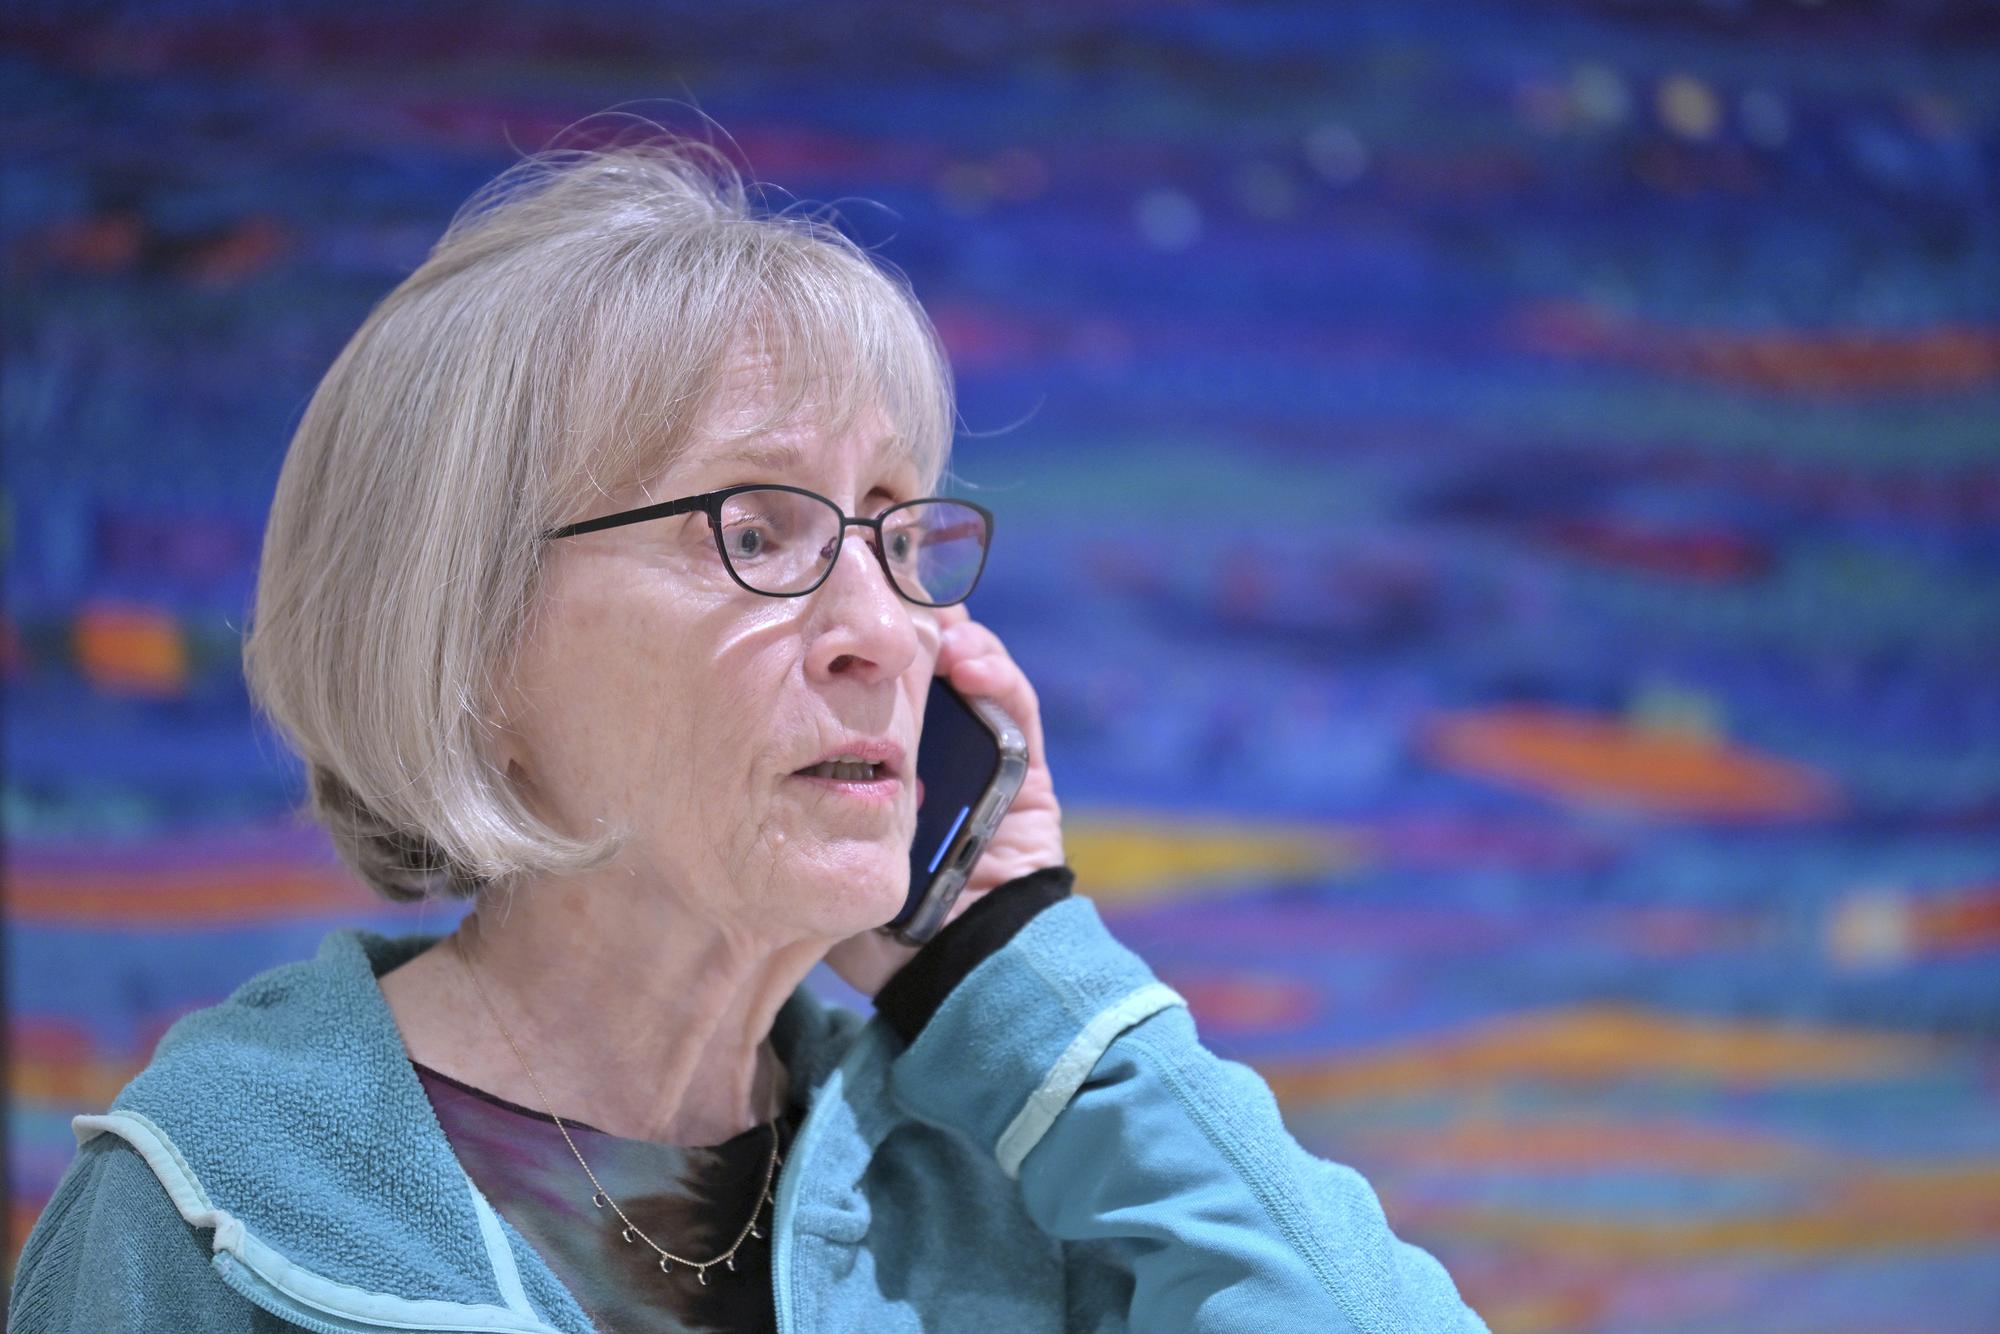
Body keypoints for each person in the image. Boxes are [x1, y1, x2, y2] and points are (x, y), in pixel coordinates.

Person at [8, 137, 1490, 1333]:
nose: (888, 628)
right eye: (757, 530)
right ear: (465, 627)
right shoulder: (210, 1206)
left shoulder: (1012, 1179)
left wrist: (1014, 962)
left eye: (899, 537)